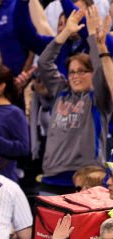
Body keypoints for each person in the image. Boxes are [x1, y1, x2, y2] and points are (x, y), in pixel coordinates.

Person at [37, 8, 112, 195]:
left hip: (86, 176)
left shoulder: (99, 97)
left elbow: (100, 70)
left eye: (81, 71)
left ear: (91, 73)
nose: (75, 76)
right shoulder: (61, 91)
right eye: (71, 72)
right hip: (52, 174)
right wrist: (65, 33)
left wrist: (93, 38)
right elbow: (44, 63)